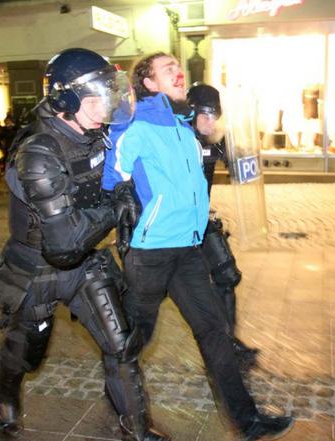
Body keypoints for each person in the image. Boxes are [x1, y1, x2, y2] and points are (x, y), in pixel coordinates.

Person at [102, 52, 294, 441]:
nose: (178, 72)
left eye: (178, 67)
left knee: (215, 331)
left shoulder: (182, 125)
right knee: (132, 339)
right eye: (167, 69)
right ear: (149, 83)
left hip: (188, 250)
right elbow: (109, 181)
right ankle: (126, 415)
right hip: (150, 252)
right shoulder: (135, 125)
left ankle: (247, 420)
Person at [0, 48, 167, 441]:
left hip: (86, 263)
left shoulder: (96, 134)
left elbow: (122, 184)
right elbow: (63, 244)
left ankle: (137, 428)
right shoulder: (38, 152)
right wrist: (114, 207)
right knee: (26, 353)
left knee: (122, 345)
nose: (107, 104)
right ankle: (4, 393)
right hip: (38, 267)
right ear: (66, 102)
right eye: (96, 97)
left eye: (108, 93)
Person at [186, 83, 259, 368]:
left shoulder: (214, 140)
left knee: (227, 277)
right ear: (190, 113)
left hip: (201, 222)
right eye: (204, 115)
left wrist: (242, 150)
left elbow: (240, 168)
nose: (210, 122)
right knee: (151, 298)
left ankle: (227, 342)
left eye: (215, 115)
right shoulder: (177, 138)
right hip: (172, 228)